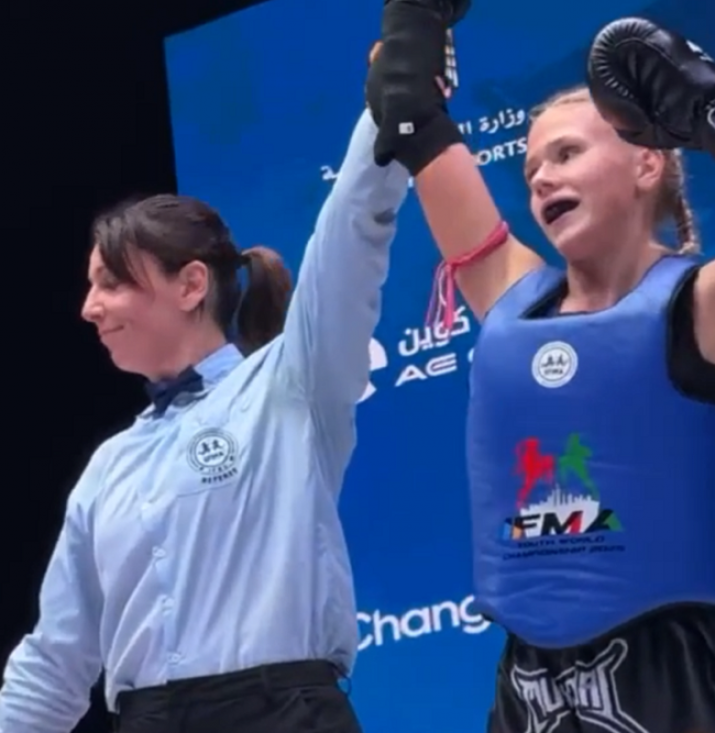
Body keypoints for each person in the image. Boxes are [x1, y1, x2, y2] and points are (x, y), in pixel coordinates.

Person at [368, 5, 715, 733]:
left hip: (677, 674)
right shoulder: (507, 293)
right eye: (532, 168)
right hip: (528, 683)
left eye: (567, 153)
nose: (542, 178)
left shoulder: (704, 300)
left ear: (646, 161)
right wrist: (418, 13)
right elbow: (409, 117)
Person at [0, 109, 410, 733]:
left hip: (283, 715)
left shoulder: (290, 382)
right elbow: (54, 661)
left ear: (191, 285)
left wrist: (391, 102)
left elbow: (349, 236)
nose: (88, 307)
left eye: (110, 282)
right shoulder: (108, 466)